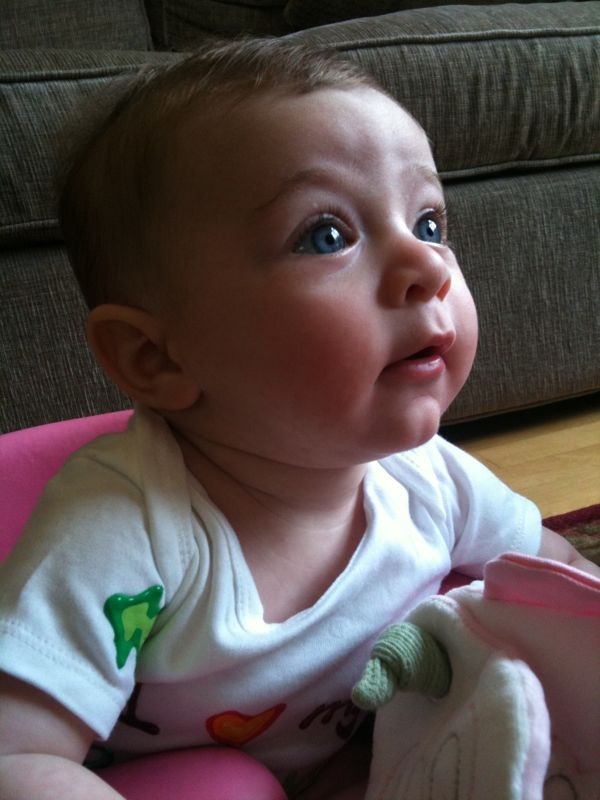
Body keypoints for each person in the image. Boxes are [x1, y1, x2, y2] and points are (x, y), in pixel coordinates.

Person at [0, 37, 597, 800]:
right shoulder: (125, 528)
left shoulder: (430, 480)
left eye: (428, 223)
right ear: (157, 359)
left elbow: (556, 577)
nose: (429, 268)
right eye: (328, 235)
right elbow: (17, 757)